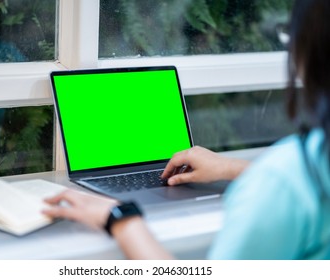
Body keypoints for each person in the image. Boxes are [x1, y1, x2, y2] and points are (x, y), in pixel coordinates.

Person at [43, 0, 330, 259]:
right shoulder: (299, 169)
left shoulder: (285, 179)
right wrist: (229, 167)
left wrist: (120, 218)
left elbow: (288, 184)